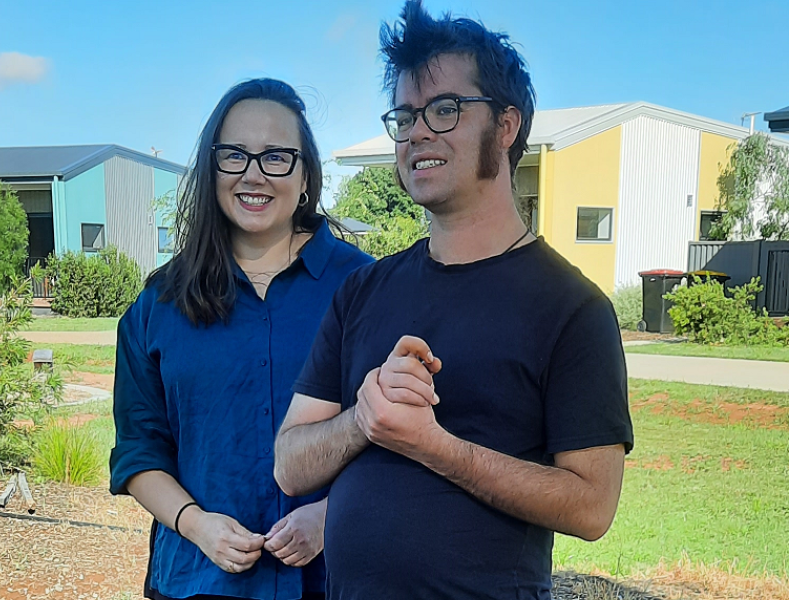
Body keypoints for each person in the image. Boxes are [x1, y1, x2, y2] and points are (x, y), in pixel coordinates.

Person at [273, 3, 634, 599]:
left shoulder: (572, 308)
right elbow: (290, 463)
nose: (417, 133)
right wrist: (364, 420)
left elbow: (592, 505)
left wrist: (433, 444)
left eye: (444, 110)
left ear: (507, 125)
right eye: (406, 115)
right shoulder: (363, 290)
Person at [109, 78, 373, 600]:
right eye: (235, 155)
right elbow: (138, 454)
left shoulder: (365, 287)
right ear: (212, 168)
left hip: (333, 578)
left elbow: (396, 433)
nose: (254, 175)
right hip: (196, 581)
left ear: (305, 176)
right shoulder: (160, 303)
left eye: (276, 156)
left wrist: (330, 514)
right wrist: (196, 525)